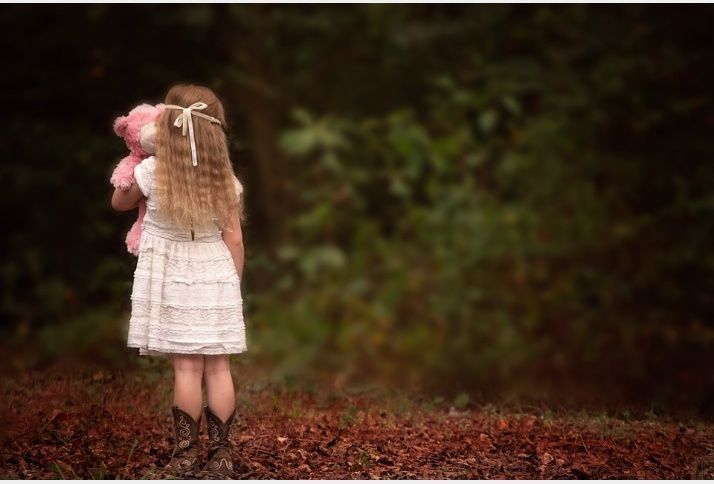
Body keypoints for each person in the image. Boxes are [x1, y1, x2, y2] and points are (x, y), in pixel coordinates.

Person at [111, 84, 247, 478]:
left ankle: (185, 454)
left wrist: (138, 156)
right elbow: (234, 238)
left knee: (186, 369)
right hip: (216, 272)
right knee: (218, 367)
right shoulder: (225, 180)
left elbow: (119, 203)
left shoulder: (152, 171)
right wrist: (230, 284)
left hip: (173, 276)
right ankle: (221, 455)